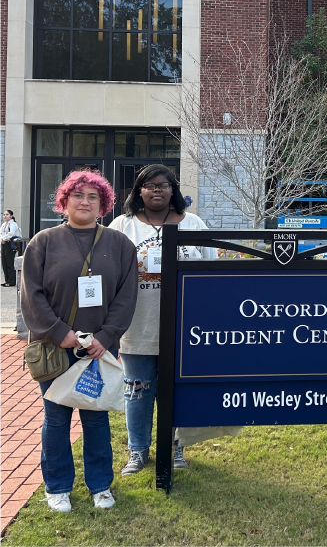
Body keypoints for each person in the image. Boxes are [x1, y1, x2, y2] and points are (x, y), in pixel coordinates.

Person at [21, 170, 138, 512]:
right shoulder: (43, 242)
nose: (85, 202)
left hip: (98, 351)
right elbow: (32, 296)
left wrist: (106, 337)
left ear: (103, 205)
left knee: (96, 419)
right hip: (55, 349)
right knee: (56, 419)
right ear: (64, 201)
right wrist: (61, 334)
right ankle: (57, 487)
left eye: (93, 197)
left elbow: (126, 297)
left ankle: (100, 485)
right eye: (78, 195)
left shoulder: (119, 245)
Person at [108, 164, 223, 477]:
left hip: (184, 329)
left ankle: (174, 448)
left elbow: (213, 276)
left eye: (163, 185)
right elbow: (109, 277)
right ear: (139, 191)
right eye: (149, 185)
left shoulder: (194, 224)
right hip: (137, 327)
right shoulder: (122, 226)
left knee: (175, 391)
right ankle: (138, 450)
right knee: (137, 391)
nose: (156, 190)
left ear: (173, 190)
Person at [0, 209, 22, 286]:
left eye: (7, 214)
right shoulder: (4, 224)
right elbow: (1, 233)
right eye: (4, 214)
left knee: (10, 262)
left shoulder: (13, 224)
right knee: (4, 262)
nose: (5, 216)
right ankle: (7, 280)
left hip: (10, 244)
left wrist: (4, 239)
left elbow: (11, 233)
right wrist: (1, 240)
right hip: (4, 244)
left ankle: (11, 281)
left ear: (11, 216)